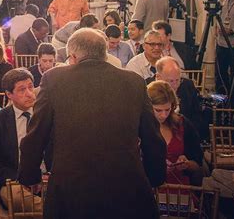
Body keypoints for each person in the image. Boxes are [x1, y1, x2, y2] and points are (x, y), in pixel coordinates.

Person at [18, 28, 166, 218]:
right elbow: (152, 137)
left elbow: (37, 133)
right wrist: (155, 177)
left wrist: (29, 176)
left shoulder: (54, 80)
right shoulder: (134, 81)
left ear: (72, 56)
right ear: (105, 54)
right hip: (126, 188)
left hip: (71, 190)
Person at [0, 68, 42, 215]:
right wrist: (23, 180)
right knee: (22, 198)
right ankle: (54, 211)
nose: (29, 94)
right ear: (9, 95)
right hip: (13, 182)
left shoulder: (45, 114)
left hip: (44, 179)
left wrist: (41, 177)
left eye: (31, 87)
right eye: (22, 90)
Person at [147, 80, 203, 186]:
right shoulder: (139, 127)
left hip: (179, 187)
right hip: (149, 188)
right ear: (147, 107)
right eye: (158, 110)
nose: (164, 115)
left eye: (167, 110)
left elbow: (198, 164)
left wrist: (187, 164)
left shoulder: (182, 124)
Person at [154, 57, 202, 135]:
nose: (175, 85)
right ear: (158, 77)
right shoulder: (148, 87)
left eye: (177, 80)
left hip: (185, 132)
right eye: (171, 81)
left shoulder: (188, 85)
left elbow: (196, 114)